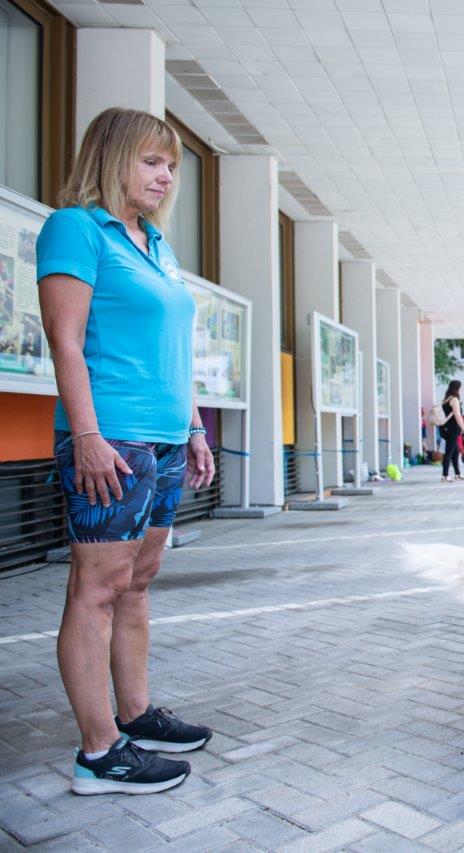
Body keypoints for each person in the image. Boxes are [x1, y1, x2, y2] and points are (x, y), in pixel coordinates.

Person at [36, 107, 214, 795]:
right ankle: (97, 752)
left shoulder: (156, 245)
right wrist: (86, 436)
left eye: (170, 165)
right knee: (98, 588)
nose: (166, 175)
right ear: (113, 160)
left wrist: (195, 428)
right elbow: (66, 339)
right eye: (150, 161)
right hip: (111, 439)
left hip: (167, 438)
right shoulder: (77, 229)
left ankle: (135, 716)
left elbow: (172, 352)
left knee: (137, 584)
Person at [439, 380, 464, 482]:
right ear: (458, 388)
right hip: (452, 429)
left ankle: (457, 473)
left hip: (444, 428)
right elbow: (457, 415)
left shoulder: (446, 399)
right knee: (449, 453)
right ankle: (445, 475)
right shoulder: (454, 400)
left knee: (455, 452)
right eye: (461, 388)